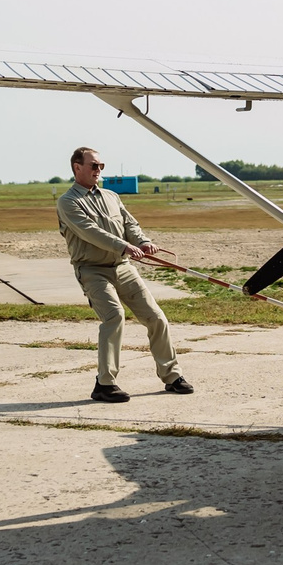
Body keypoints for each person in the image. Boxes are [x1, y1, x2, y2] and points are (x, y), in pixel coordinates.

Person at [57, 147, 191, 403]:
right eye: (94, 166)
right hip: (92, 270)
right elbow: (90, 232)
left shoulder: (111, 196)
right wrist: (124, 246)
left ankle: (172, 376)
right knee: (113, 317)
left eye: (101, 166)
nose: (99, 170)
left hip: (123, 267)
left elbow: (130, 224)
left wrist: (143, 242)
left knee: (156, 318)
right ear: (77, 168)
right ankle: (105, 384)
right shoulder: (68, 201)